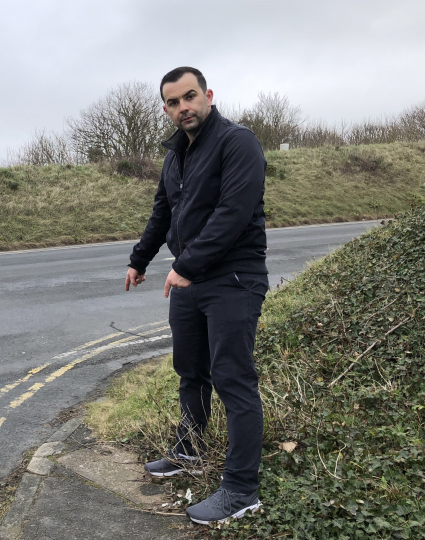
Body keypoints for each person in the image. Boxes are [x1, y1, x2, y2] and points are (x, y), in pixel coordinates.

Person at [125, 67, 268, 524]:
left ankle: (242, 490)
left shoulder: (236, 141)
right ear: (165, 109)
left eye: (189, 97)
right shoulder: (175, 156)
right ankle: (188, 450)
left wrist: (184, 267)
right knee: (190, 371)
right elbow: (162, 212)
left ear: (208, 95)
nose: (182, 107)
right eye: (172, 102)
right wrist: (139, 259)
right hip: (190, 281)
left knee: (232, 378)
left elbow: (233, 212)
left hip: (233, 278)